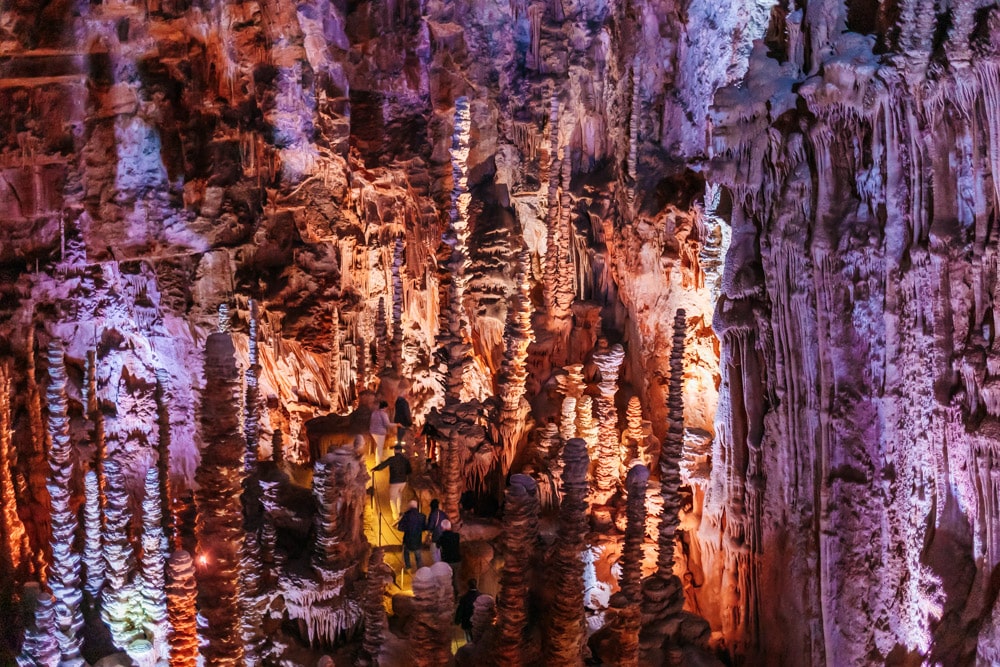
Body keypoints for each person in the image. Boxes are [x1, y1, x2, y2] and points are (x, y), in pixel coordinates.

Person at [373, 443, 412, 520]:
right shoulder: (405, 460)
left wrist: (375, 468)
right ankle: (399, 511)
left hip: (394, 481)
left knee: (392, 499)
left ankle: (395, 516)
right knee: (399, 495)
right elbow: (409, 471)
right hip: (403, 481)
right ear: (401, 451)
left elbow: (383, 465)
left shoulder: (392, 459)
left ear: (395, 450)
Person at [396, 500, 426, 570]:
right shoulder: (422, 516)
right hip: (418, 540)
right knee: (418, 556)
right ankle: (420, 569)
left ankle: (408, 567)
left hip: (407, 540)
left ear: (409, 507)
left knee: (406, 554)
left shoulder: (406, 516)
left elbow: (400, 528)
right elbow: (424, 528)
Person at [438, 519, 461, 591]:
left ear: (442, 528)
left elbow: (437, 546)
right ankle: (457, 594)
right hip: (457, 560)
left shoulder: (442, 537)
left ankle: (448, 594)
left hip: (447, 561)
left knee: (447, 579)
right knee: (456, 579)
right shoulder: (456, 536)